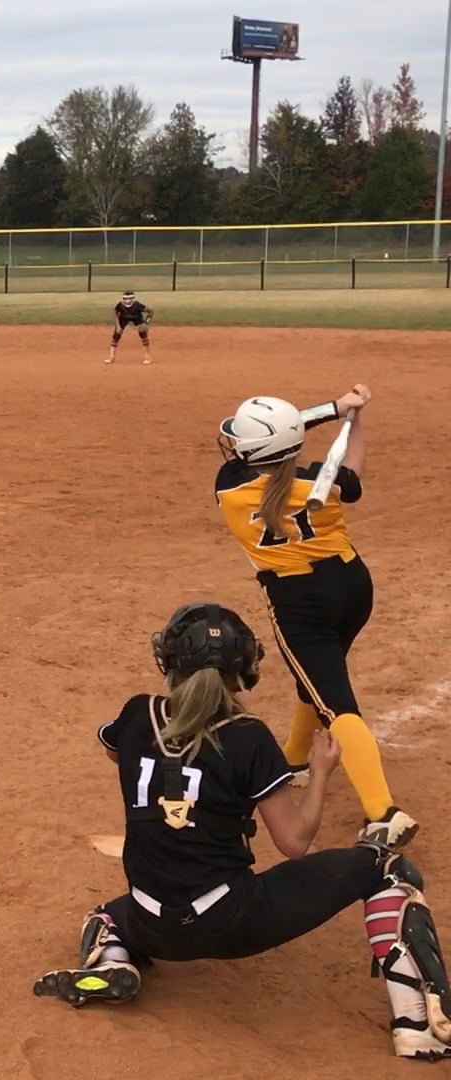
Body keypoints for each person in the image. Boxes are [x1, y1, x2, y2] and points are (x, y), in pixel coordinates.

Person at [32, 602, 451, 1061]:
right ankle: (419, 1025)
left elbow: (117, 751)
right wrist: (320, 772)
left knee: (107, 917)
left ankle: (112, 961)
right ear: (243, 670)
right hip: (230, 920)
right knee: (386, 867)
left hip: (150, 922)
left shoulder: (136, 715)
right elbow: (295, 842)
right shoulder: (248, 737)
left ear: (170, 662)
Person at [214, 385, 411, 846]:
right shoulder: (321, 479)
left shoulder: (230, 484)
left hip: (300, 599)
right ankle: (294, 759)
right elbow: (353, 467)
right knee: (317, 676)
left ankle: (384, 812)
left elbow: (279, 436)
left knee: (336, 703)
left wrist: (332, 409)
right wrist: (352, 419)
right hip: (352, 585)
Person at [108, 291, 150, 365]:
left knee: (143, 333)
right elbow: (115, 311)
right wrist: (118, 326)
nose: (127, 301)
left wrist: (146, 323)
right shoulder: (120, 305)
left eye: (129, 299)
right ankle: (111, 357)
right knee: (116, 335)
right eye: (125, 299)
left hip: (137, 318)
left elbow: (151, 311)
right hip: (123, 318)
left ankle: (148, 357)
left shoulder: (138, 305)